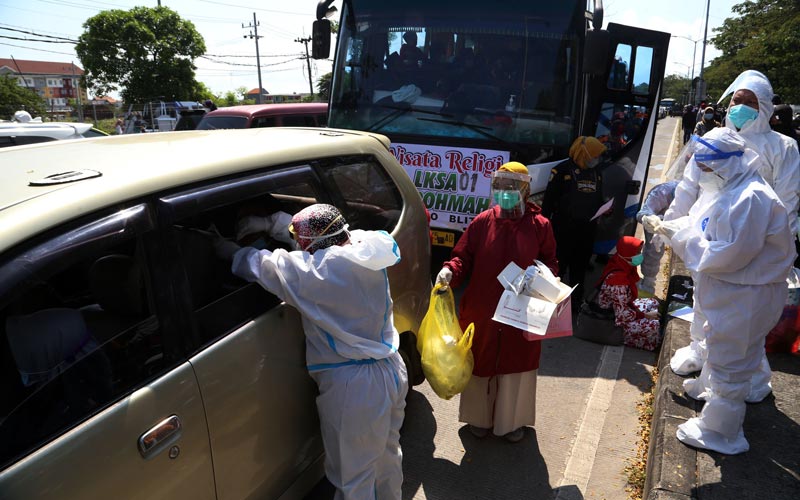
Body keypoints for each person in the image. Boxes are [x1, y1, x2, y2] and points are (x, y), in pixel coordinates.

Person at [218, 203, 408, 500]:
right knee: (386, 459)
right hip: (390, 369)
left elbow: (265, 265)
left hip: (355, 387)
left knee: (353, 479)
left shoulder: (317, 275)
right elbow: (321, 239)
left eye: (302, 242)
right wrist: (269, 222)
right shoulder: (364, 246)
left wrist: (226, 250)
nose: (300, 247)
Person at [644, 126, 794, 454]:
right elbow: (704, 226)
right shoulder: (732, 189)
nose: (703, 174)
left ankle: (721, 431)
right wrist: (677, 228)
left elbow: (727, 255)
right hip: (736, 293)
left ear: (726, 164)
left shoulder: (750, 198)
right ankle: (711, 391)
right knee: (722, 346)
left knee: (731, 362)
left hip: (745, 295)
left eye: (707, 168)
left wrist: (679, 235)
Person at [663, 70, 800, 402]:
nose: (741, 107)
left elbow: (788, 202)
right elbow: (689, 185)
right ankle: (701, 352)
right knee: (703, 301)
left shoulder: (782, 147)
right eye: (738, 100)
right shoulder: (715, 137)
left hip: (749, 247)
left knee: (743, 322)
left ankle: (747, 379)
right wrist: (670, 224)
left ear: (766, 106)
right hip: (705, 236)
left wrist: (774, 253)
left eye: (750, 102)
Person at [434, 161, 557, 443]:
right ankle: (479, 418)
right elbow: (463, 256)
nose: (505, 192)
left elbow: (550, 261)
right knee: (481, 361)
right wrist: (449, 270)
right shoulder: (482, 222)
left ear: (525, 190)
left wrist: (543, 278)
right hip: (483, 308)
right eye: (500, 186)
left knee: (517, 364)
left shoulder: (540, 226)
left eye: (511, 187)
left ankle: (511, 423)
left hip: (522, 310)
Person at [542, 136, 607, 310]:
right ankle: (551, 303)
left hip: (586, 231)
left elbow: (599, 199)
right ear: (583, 152)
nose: (596, 159)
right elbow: (548, 202)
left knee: (580, 269)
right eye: (594, 155)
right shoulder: (561, 170)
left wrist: (606, 209)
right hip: (563, 230)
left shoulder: (596, 172)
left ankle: (575, 303)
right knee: (558, 268)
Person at [594, 236, 661, 351]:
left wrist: (639, 312)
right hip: (612, 320)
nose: (640, 255)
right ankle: (627, 338)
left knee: (652, 303)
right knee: (653, 325)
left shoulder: (620, 263)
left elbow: (625, 303)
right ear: (627, 254)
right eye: (637, 252)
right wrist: (644, 316)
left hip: (619, 309)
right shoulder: (618, 281)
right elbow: (622, 315)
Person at [635, 180, 678, 295]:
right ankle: (648, 282)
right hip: (657, 221)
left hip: (678, 223)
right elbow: (642, 213)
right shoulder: (662, 192)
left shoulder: (699, 194)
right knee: (654, 249)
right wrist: (650, 220)